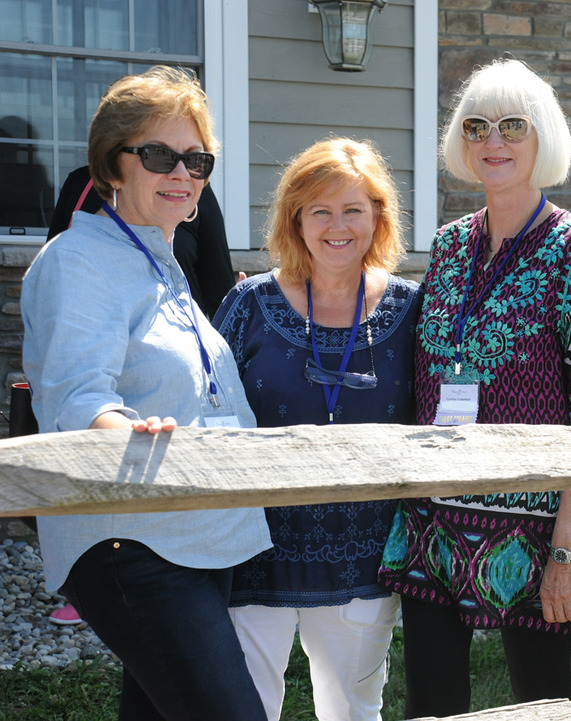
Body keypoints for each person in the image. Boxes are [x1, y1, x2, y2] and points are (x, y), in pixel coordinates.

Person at [20, 66, 272, 719]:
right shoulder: (79, 262)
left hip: (194, 536)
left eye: (197, 159)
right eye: (160, 155)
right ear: (114, 165)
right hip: (133, 543)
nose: (182, 173)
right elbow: (77, 399)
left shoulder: (161, 264)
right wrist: (119, 427)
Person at [377, 58, 571, 718]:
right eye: (478, 126)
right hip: (434, 524)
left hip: (534, 531)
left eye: (513, 126)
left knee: (542, 703)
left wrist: (567, 550)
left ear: (543, 138)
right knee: (431, 701)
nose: (494, 141)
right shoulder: (450, 245)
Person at [213, 137, 422, 721]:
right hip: (255, 551)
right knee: (243, 710)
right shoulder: (248, 304)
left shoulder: (412, 309)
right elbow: (205, 409)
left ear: (378, 216)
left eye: (353, 209)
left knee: (353, 711)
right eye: (320, 210)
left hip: (364, 554)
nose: (338, 225)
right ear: (295, 219)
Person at [48, 164, 235, 319]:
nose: (180, 173)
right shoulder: (80, 184)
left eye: (194, 156)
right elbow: (53, 280)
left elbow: (220, 297)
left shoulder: (189, 190)